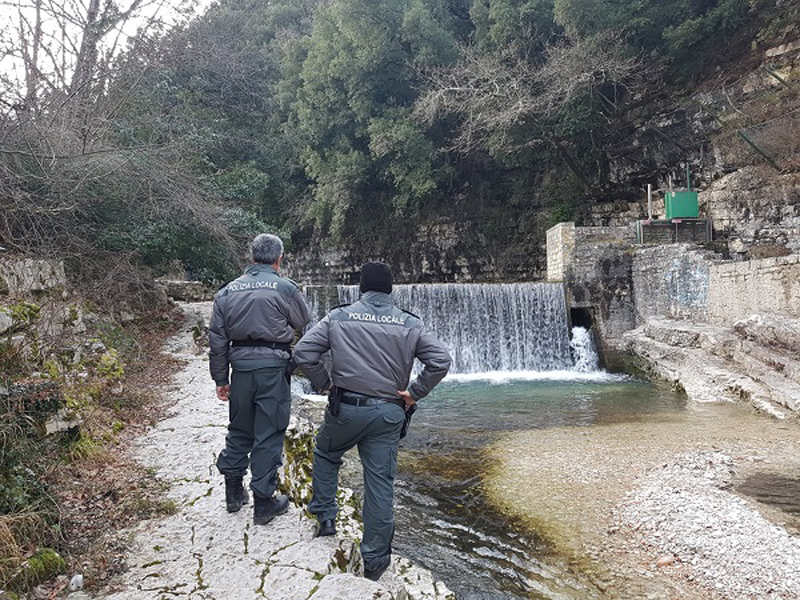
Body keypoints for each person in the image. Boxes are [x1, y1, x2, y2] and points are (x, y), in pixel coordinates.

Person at [294, 262, 451, 581]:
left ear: (361, 288)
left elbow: (303, 352)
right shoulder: (409, 323)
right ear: (390, 290)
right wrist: (414, 393)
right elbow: (441, 361)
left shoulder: (339, 316)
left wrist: (325, 384)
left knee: (326, 453)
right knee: (379, 482)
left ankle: (325, 518)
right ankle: (376, 560)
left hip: (346, 409)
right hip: (388, 413)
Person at [208, 233, 310, 525]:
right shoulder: (286, 289)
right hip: (273, 369)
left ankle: (233, 494)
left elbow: (217, 340)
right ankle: (263, 504)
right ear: (279, 259)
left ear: (251, 258)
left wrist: (220, 379)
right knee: (268, 433)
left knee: (239, 428)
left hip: (240, 369)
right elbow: (302, 322)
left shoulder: (227, 292)